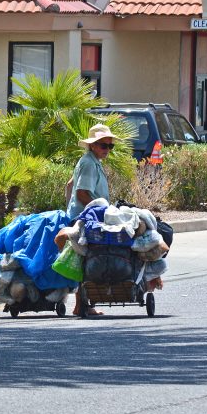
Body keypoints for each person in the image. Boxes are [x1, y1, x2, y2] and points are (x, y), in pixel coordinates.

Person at [65, 124, 120, 316]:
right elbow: (81, 193)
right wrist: (100, 211)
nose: (107, 150)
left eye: (110, 146)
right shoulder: (89, 163)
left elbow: (70, 185)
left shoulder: (91, 161)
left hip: (86, 215)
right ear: (93, 145)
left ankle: (83, 304)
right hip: (87, 218)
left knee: (87, 258)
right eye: (104, 146)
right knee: (88, 258)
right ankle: (82, 304)